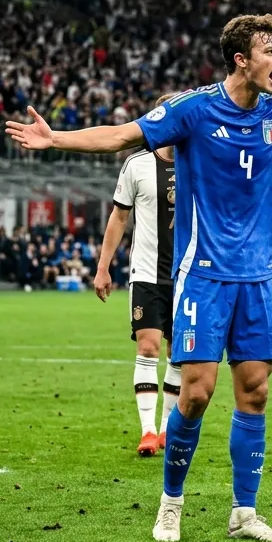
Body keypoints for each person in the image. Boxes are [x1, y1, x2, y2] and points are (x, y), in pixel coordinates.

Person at [6, 13, 272, 542]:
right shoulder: (193, 109)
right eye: (270, 51)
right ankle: (170, 505)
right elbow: (123, 134)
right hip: (203, 276)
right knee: (196, 394)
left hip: (256, 279)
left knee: (254, 391)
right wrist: (56, 139)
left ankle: (244, 513)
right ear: (241, 59)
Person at [94, 94, 179, 459]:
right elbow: (119, 217)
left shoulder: (200, 162)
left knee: (179, 354)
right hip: (146, 272)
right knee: (148, 347)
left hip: (189, 275)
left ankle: (167, 428)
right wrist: (103, 267)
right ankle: (147, 430)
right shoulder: (136, 164)